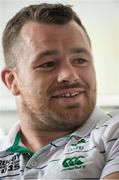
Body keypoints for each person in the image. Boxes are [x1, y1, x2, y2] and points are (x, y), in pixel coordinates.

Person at [0, 3, 119, 179]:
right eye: (48, 64)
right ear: (12, 81)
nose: (70, 75)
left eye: (80, 60)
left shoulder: (113, 133)